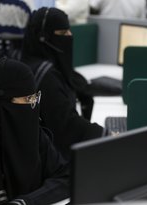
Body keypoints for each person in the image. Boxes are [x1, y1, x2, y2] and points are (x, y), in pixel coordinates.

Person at [0, 58, 69, 204]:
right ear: (0, 104)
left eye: (35, 98)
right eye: (27, 99)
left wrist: (26, 202)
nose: (33, 106)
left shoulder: (31, 131)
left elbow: (66, 177)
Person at [21, 7, 104, 160]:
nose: (69, 36)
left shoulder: (36, 63)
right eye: (63, 33)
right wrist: (106, 134)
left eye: (69, 31)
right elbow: (67, 126)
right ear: (43, 38)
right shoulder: (46, 77)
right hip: (51, 161)